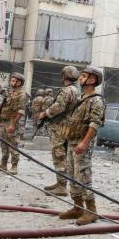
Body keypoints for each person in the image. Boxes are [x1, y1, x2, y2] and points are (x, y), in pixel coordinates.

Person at [58, 67, 105, 226]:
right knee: (72, 174)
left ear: (92, 80)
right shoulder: (81, 97)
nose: (80, 78)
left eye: (84, 76)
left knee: (83, 176)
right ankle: (77, 207)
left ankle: (91, 211)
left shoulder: (96, 100)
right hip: (72, 140)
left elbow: (95, 124)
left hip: (82, 143)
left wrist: (84, 143)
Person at [38, 68, 79, 197]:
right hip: (66, 126)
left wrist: (45, 113)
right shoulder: (75, 90)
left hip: (60, 127)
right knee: (62, 154)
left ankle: (61, 186)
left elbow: (58, 107)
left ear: (65, 76)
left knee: (59, 155)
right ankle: (60, 182)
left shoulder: (67, 90)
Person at [0, 73, 27, 175]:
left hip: (12, 122)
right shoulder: (9, 93)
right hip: (3, 121)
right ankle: (3, 164)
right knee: (3, 144)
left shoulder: (21, 95)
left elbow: (20, 112)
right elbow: (2, 109)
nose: (12, 82)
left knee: (13, 144)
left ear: (19, 83)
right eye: (11, 80)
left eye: (14, 81)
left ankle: (14, 166)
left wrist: (13, 124)